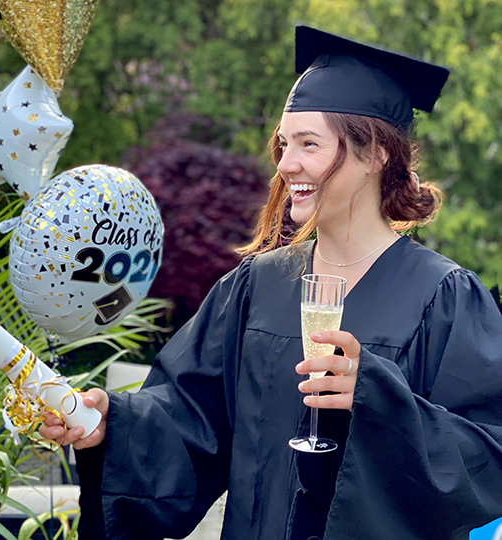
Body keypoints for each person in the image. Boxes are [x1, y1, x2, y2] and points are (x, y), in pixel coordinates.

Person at [40, 26, 502, 540]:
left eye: (308, 144)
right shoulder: (257, 288)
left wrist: (376, 397)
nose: (285, 165)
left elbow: (487, 460)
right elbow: (189, 416)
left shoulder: (443, 298)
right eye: (283, 145)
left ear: (375, 155)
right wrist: (113, 425)